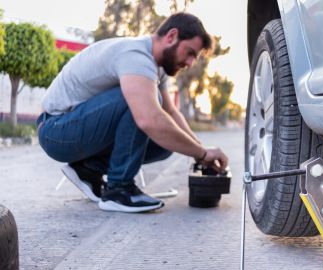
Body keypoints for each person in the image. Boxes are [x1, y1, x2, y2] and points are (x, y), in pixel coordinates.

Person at [36, 12, 229, 213]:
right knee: (144, 106)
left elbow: (170, 112)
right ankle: (119, 190)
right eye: (189, 52)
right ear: (171, 36)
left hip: (72, 129)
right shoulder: (136, 56)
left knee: (166, 143)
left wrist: (199, 151)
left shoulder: (157, 66)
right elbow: (149, 119)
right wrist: (203, 153)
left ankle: (89, 169)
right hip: (55, 130)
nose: (190, 63)